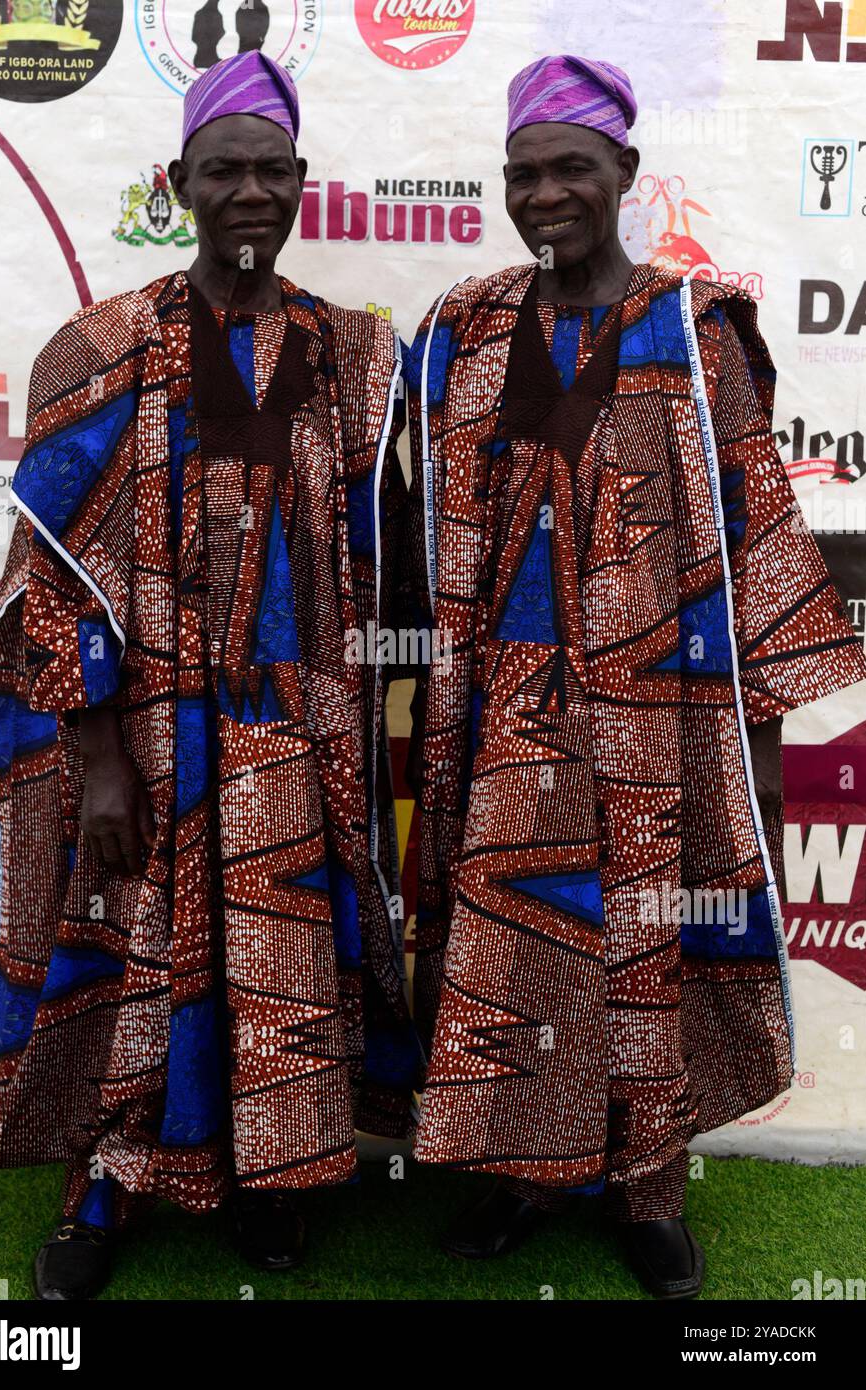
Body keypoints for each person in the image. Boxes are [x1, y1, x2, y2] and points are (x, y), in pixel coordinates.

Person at [401, 53, 866, 1299]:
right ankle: (513, 1169)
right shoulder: (463, 330)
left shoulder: (692, 330)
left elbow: (755, 534)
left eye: (570, 168)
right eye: (523, 174)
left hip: (653, 718)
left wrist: (762, 759)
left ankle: (646, 1186)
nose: (544, 192)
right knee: (507, 951)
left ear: (624, 176)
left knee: (642, 949)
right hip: (499, 717)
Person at [0, 51, 418, 1301]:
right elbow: (46, 581)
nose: (251, 191)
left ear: (302, 184)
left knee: (284, 964)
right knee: (135, 957)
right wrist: (100, 754)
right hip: (150, 737)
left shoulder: (354, 359)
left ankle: (274, 1177)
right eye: (225, 169)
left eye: (273, 170)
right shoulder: (100, 348)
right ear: (179, 183)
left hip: (299, 729)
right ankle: (106, 1183)